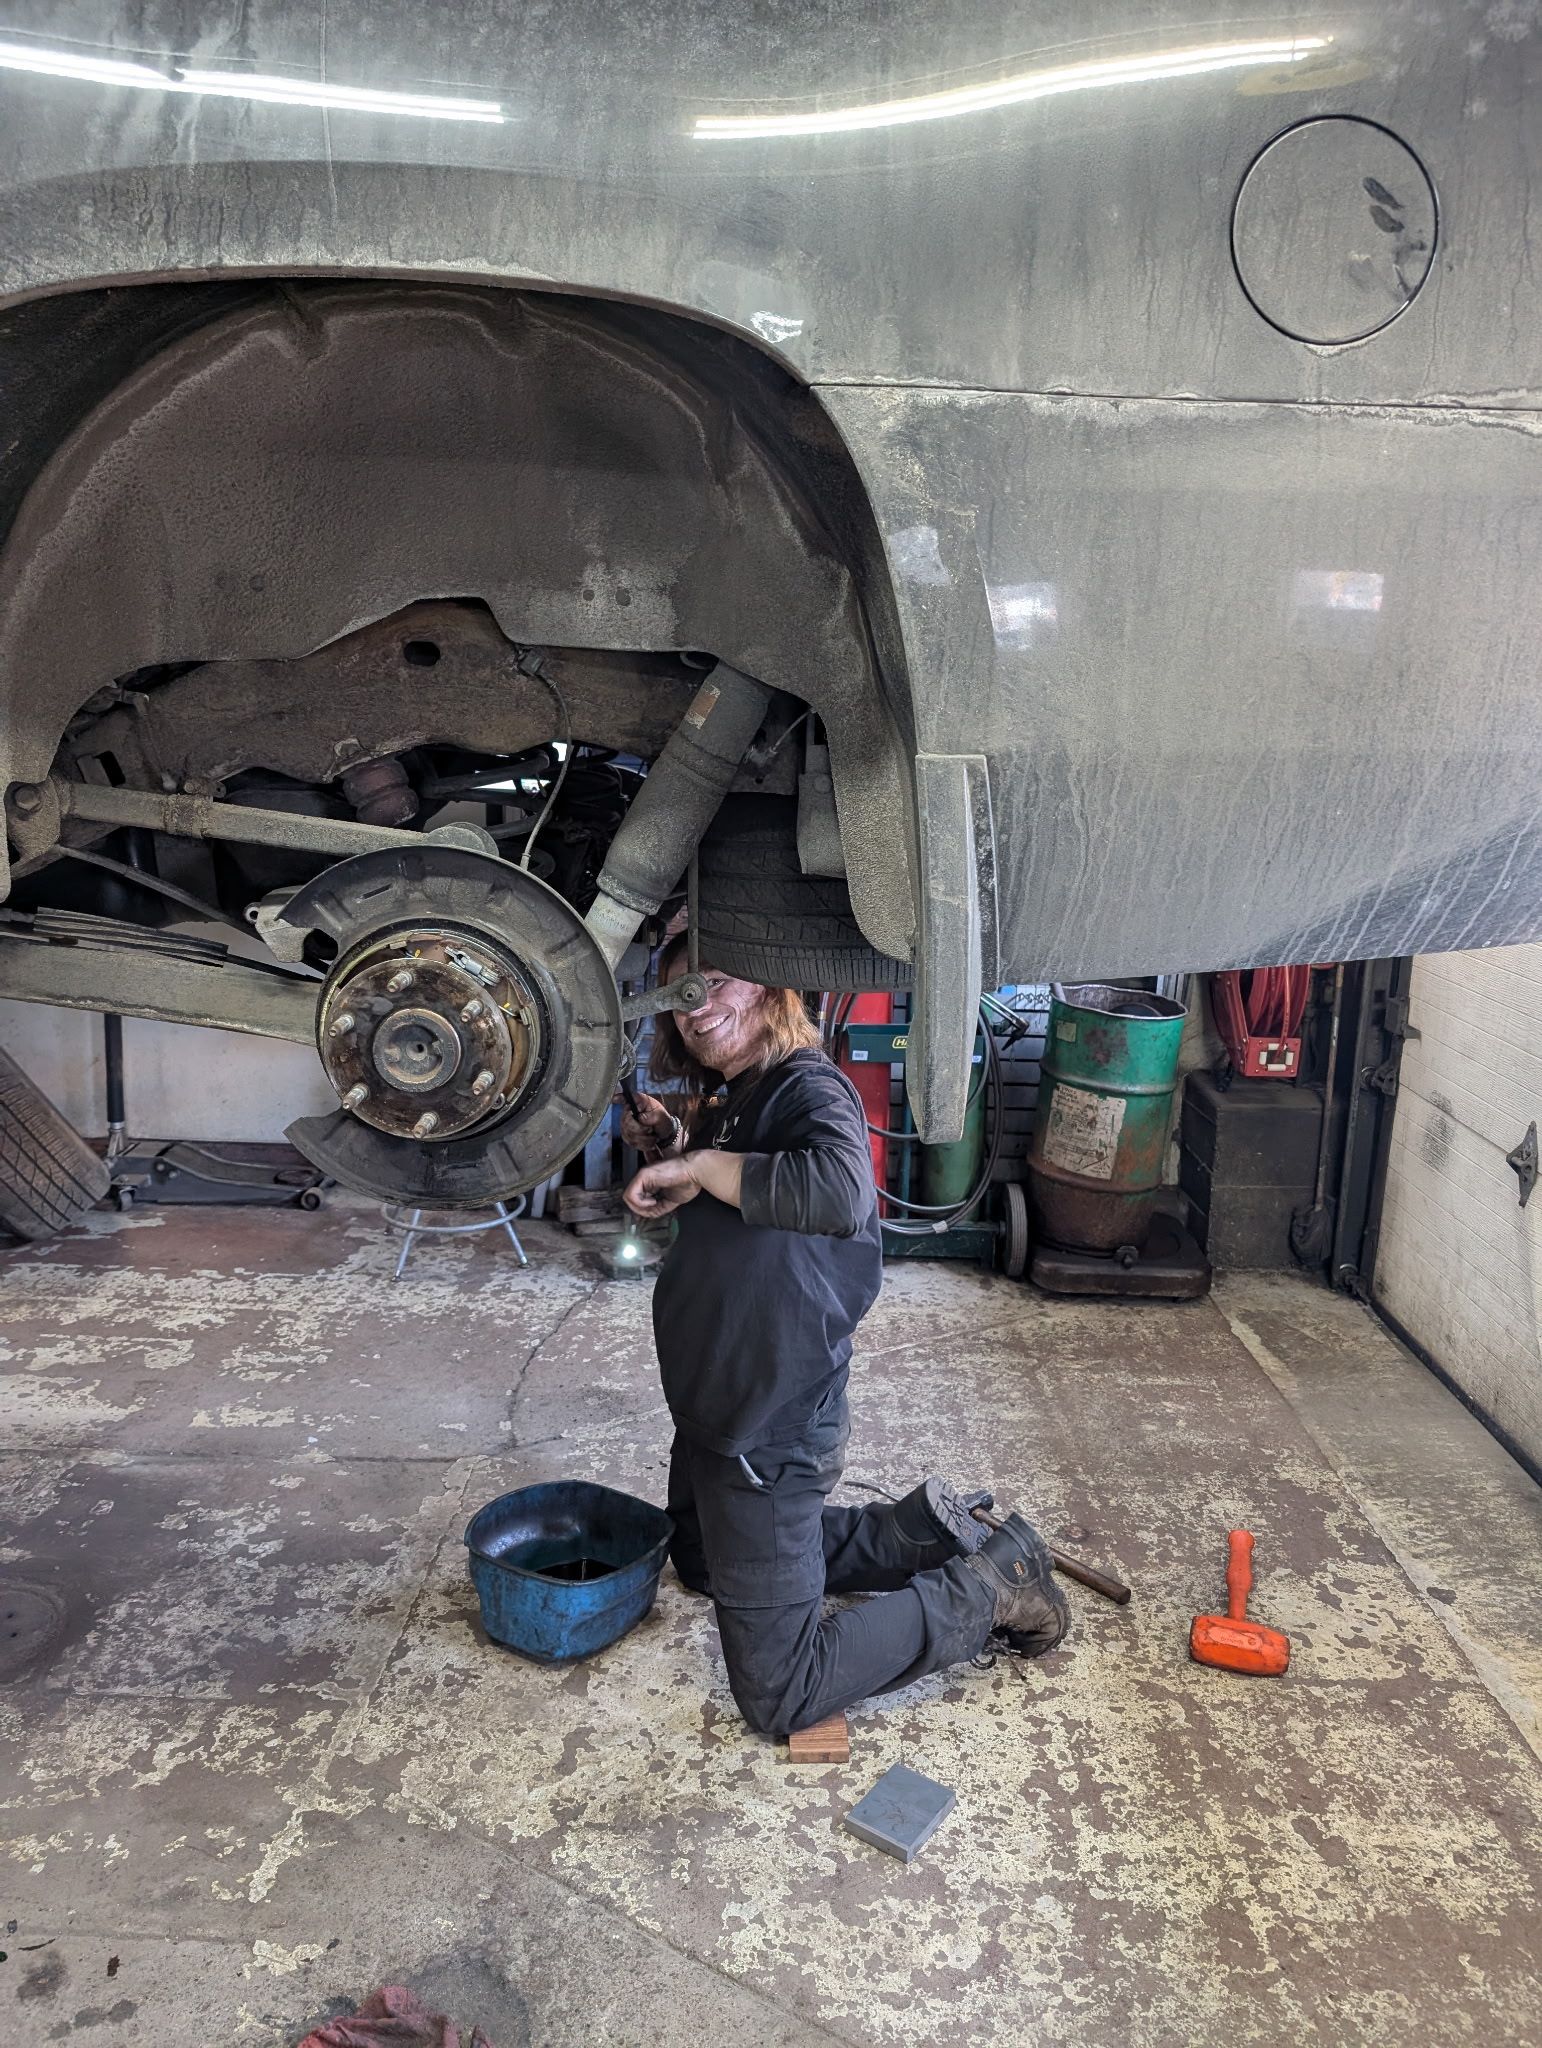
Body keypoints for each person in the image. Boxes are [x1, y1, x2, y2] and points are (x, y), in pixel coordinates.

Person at [620, 943, 1067, 1736]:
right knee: (697, 1558)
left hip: (768, 1424)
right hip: (713, 1404)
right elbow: (740, 1191)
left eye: (715, 982)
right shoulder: (738, 1091)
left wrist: (704, 1163)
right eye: (680, 993)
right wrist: (675, 1144)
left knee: (781, 1695)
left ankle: (992, 1586)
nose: (695, 1008)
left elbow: (835, 1189)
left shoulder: (808, 1085)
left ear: (774, 987)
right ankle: (914, 1535)